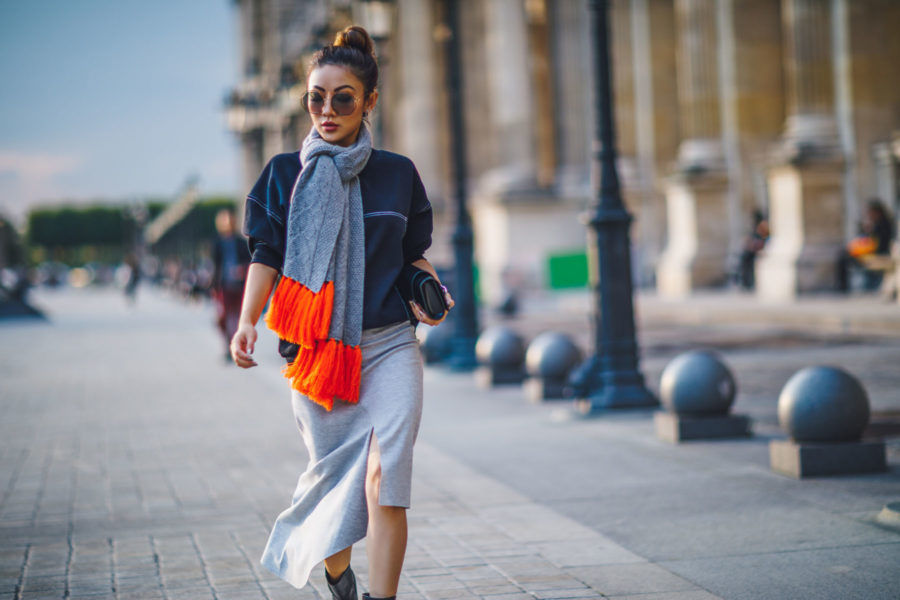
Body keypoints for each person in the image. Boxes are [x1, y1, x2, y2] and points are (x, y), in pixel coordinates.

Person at [230, 26, 453, 600]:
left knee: (385, 476)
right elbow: (267, 255)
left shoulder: (398, 173)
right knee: (333, 484)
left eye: (343, 97)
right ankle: (337, 575)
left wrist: (432, 293)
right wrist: (248, 320)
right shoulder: (285, 174)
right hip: (318, 352)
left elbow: (412, 257)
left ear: (370, 100)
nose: (327, 110)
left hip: (389, 346)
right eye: (316, 98)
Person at [212, 208, 251, 360]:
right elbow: (215, 266)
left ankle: (236, 346)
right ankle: (228, 343)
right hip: (224, 285)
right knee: (222, 317)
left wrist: (242, 269)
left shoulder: (241, 242)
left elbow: (250, 261)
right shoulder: (217, 243)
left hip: (239, 285)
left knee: (237, 317)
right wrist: (214, 287)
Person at [836, 198, 895, 292]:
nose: (868, 215)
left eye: (870, 212)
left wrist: (871, 230)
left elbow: (878, 243)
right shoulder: (875, 224)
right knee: (843, 254)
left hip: (879, 253)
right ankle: (843, 286)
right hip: (870, 251)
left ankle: (843, 287)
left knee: (845, 257)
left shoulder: (884, 224)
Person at [738, 210, 769, 290]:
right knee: (744, 258)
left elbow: (763, 238)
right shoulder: (757, 227)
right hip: (755, 249)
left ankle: (748, 282)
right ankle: (746, 282)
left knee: (747, 258)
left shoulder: (762, 225)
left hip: (758, 249)